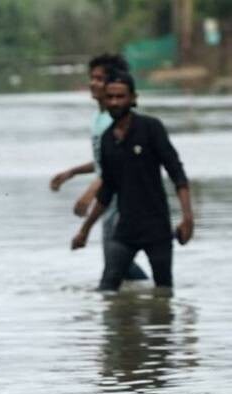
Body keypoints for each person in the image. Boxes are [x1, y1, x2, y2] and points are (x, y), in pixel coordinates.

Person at [72, 71, 194, 291]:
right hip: (125, 231)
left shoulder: (151, 128)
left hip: (157, 229)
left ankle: (161, 325)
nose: (115, 102)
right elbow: (106, 191)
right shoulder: (107, 139)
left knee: (164, 291)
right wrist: (85, 230)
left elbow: (177, 174)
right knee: (107, 288)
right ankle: (122, 323)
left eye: (121, 97)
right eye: (110, 97)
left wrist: (187, 218)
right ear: (104, 99)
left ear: (133, 98)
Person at [51, 54, 148, 281]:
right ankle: (147, 296)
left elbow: (117, 166)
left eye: (99, 79)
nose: (93, 83)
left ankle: (150, 296)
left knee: (115, 259)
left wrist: (89, 194)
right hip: (109, 198)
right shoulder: (98, 117)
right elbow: (103, 161)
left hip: (122, 199)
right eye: (91, 78)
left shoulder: (115, 122)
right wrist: (72, 173)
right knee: (116, 260)